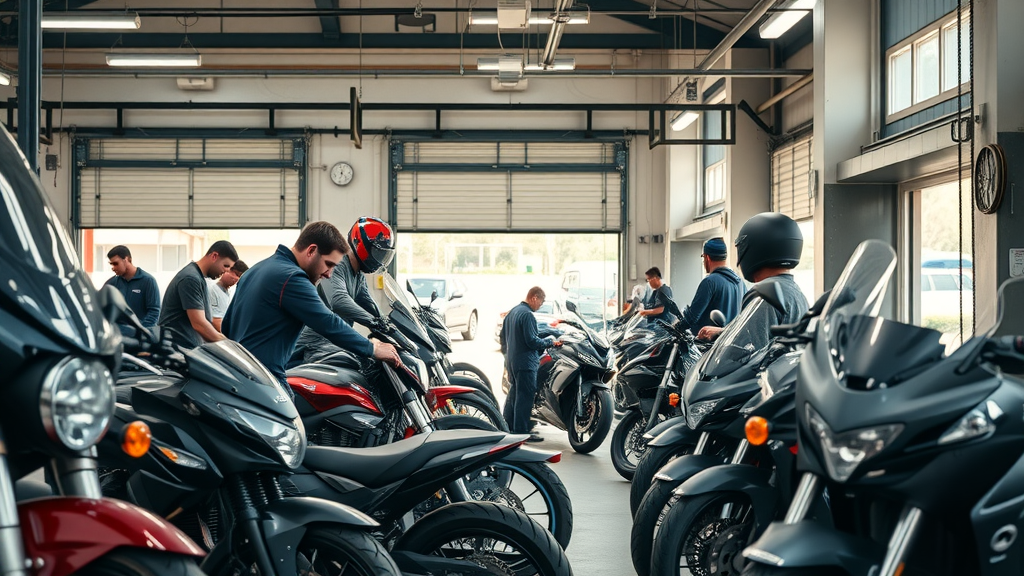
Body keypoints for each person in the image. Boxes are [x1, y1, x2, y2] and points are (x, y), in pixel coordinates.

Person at [222, 221, 400, 387]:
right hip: (264, 379)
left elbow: (227, 326)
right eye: (328, 265)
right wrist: (371, 348)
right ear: (311, 251)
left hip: (239, 373)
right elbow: (328, 322)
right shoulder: (292, 278)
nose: (329, 274)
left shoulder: (255, 270)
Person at [292, 216, 395, 365]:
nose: (379, 260)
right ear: (360, 243)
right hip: (315, 345)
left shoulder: (358, 275)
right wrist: (374, 322)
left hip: (332, 342)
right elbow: (339, 300)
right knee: (361, 367)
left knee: (369, 365)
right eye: (378, 253)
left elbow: (369, 305)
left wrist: (390, 324)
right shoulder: (337, 264)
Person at [696, 212, 809, 341]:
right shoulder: (795, 293)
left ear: (754, 249)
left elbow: (744, 348)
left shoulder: (765, 295)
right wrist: (723, 332)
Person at [500, 287, 560, 442]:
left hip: (513, 361)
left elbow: (503, 337)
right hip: (526, 363)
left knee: (515, 394)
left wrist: (507, 356)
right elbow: (532, 341)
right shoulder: (527, 315)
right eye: (541, 301)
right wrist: (551, 342)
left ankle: (507, 426)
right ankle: (521, 432)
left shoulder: (513, 312)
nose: (540, 305)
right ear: (534, 298)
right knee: (525, 397)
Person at [158, 240, 238, 348]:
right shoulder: (190, 278)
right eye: (225, 266)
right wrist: (229, 345)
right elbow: (200, 324)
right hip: (176, 351)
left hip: (186, 350)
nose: (226, 271)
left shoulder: (198, 278)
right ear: (214, 256)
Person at [675, 238, 746, 334]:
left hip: (708, 346)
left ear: (707, 258)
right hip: (730, 342)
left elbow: (692, 318)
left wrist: (676, 328)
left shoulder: (710, 282)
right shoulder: (740, 283)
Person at [102, 245, 160, 336]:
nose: (113, 268)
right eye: (111, 264)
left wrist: (141, 332)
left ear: (126, 260)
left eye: (116, 263)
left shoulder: (148, 281)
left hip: (141, 338)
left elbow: (154, 312)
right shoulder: (111, 283)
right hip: (118, 337)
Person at [208, 260, 248, 333]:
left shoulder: (227, 293)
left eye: (240, 277)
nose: (237, 279)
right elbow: (215, 320)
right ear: (227, 270)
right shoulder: (213, 289)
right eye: (236, 274)